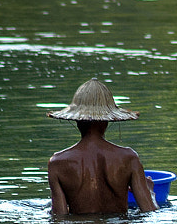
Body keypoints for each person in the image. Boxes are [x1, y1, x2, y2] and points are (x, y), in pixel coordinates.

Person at [47, 78, 159, 215]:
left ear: (76, 120)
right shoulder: (129, 158)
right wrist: (150, 192)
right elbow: (150, 212)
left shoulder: (57, 163)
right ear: (107, 120)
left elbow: (59, 220)